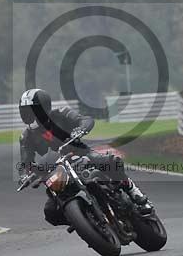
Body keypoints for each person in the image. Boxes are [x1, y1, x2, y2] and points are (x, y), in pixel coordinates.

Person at [17, 88, 151, 226]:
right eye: (26, 112)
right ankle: (84, 220)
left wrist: (80, 129)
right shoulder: (26, 137)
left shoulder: (61, 113)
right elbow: (25, 161)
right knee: (50, 212)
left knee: (110, 161)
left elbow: (85, 120)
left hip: (79, 154)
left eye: (32, 111)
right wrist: (24, 175)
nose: (29, 115)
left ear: (45, 108)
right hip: (55, 170)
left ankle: (133, 191)